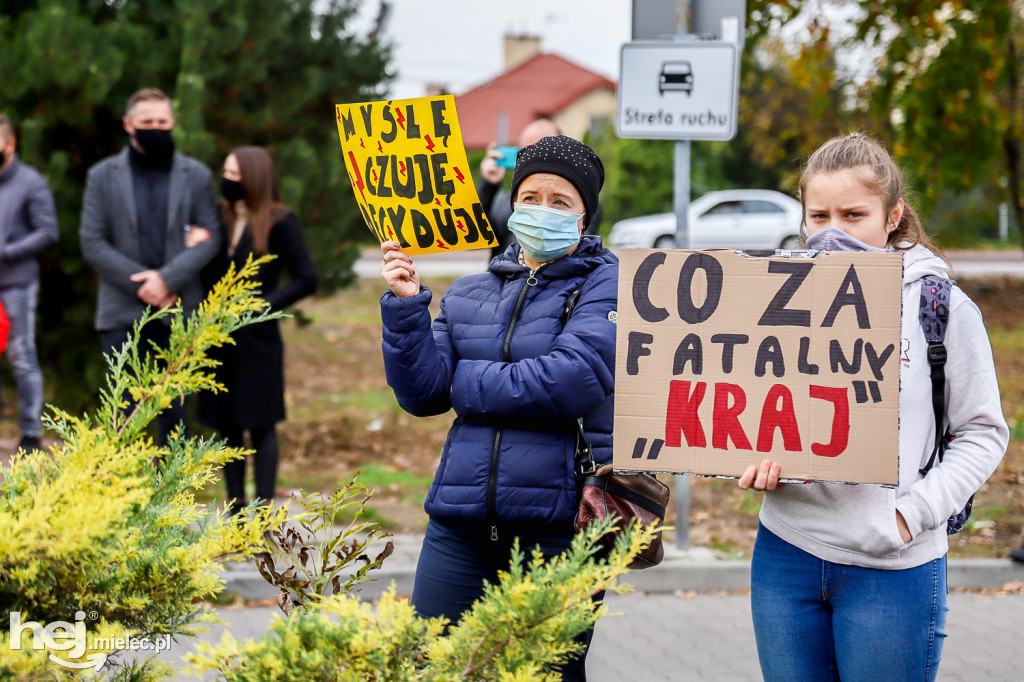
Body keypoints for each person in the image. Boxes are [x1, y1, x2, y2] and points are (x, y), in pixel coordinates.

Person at [738, 132, 1008, 681]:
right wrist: (749, 457)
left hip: (893, 567)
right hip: (785, 555)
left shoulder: (943, 308)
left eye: (854, 214)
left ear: (893, 216)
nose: (833, 232)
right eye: (819, 216)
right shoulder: (773, 303)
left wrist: (910, 517)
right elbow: (753, 407)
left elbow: (983, 433)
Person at [380, 135, 616, 680]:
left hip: (558, 530)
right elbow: (421, 394)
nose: (542, 210)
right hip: (459, 526)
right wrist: (407, 305)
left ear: (585, 216)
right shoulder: (469, 292)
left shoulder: (608, 284)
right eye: (531, 196)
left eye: (561, 201)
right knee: (432, 667)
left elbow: (570, 380)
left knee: (542, 673)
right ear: (512, 203)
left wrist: (463, 383)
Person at [80, 88, 220, 446]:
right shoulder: (101, 176)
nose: (155, 127)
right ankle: (123, 500)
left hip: (178, 309)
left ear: (172, 122)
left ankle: (170, 499)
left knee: (174, 417)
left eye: (162, 121)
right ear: (129, 125)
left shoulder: (197, 175)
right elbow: (92, 241)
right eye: (147, 122)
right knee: (123, 418)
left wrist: (167, 279)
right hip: (121, 311)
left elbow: (211, 237)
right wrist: (144, 284)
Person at [198, 146, 316, 514]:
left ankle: (261, 514)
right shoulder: (218, 217)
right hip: (218, 338)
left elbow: (305, 278)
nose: (227, 180)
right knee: (227, 426)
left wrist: (265, 305)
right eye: (225, 172)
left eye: (234, 174)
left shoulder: (280, 220)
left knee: (261, 425)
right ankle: (235, 510)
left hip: (257, 342)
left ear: (253, 177)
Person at [0, 114, 59, 452]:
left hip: (16, 283)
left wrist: (6, 251)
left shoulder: (30, 182)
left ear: (10, 145)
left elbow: (47, 231)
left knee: (22, 355)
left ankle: (31, 433)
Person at [478, 119, 603, 258]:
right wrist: (488, 186)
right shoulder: (503, 202)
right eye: (526, 151)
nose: (535, 158)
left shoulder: (581, 202)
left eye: (559, 202)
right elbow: (474, 239)